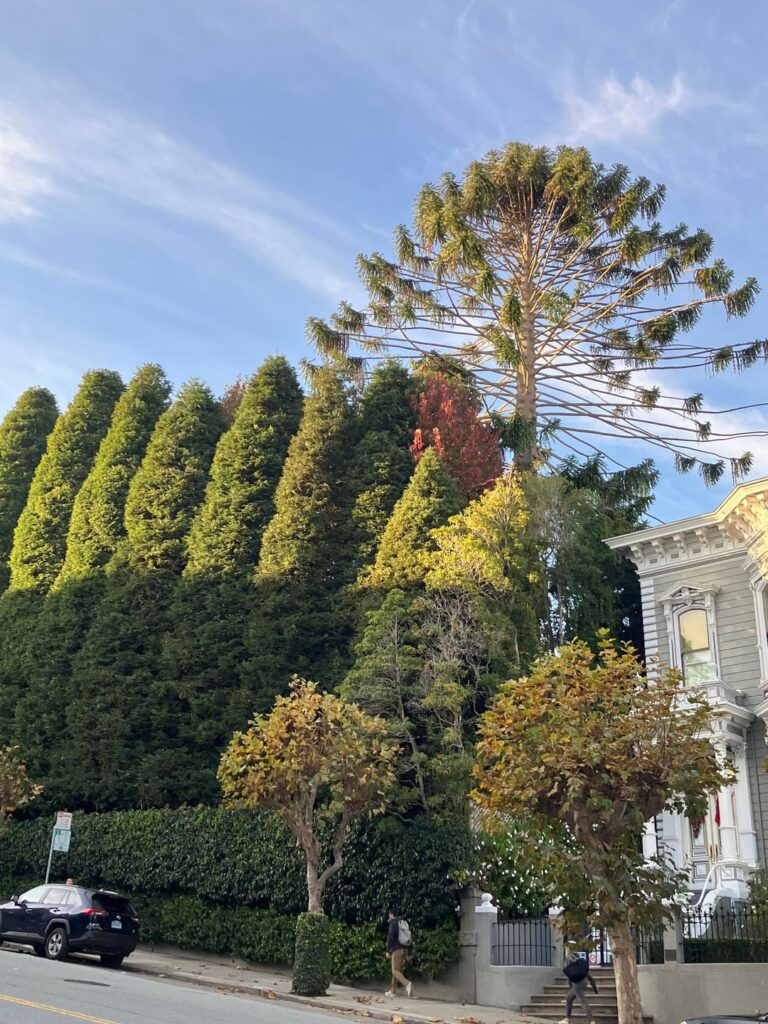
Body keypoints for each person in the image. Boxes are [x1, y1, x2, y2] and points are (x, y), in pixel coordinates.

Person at [559, 953, 597, 1024]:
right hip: (584, 982)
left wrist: (570, 987)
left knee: (583, 1002)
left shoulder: (570, 967)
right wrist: (594, 986)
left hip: (576, 984)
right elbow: (589, 976)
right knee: (568, 998)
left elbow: (569, 979)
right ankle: (567, 1019)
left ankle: (592, 1021)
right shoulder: (580, 966)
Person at [385, 910, 412, 998]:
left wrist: (388, 951)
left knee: (395, 970)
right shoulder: (401, 922)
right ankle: (393, 991)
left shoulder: (393, 923)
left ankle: (407, 983)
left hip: (396, 950)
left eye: (389, 915)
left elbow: (391, 937)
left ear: (391, 914)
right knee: (397, 970)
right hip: (404, 949)